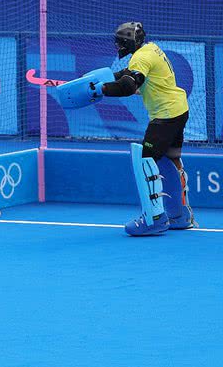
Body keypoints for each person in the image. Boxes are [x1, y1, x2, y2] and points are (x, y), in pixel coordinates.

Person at [75, 22, 195, 235]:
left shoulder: (140, 57)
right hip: (178, 109)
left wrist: (101, 89)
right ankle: (180, 215)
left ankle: (154, 219)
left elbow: (128, 86)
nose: (117, 45)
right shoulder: (151, 48)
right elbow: (127, 74)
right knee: (171, 159)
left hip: (164, 116)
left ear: (128, 43)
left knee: (146, 162)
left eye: (120, 42)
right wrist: (101, 80)